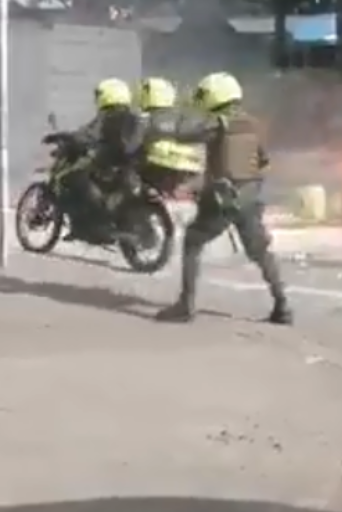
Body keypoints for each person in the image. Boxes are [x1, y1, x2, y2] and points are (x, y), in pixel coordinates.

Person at [148, 72, 292, 324]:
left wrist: (174, 114)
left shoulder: (217, 123)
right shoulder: (251, 123)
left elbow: (181, 134)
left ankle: (186, 304)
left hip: (222, 199)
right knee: (260, 251)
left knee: (193, 241)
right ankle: (282, 306)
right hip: (249, 198)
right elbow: (263, 162)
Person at [57, 78, 144, 241]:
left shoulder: (106, 116)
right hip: (130, 166)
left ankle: (83, 226)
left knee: (70, 179)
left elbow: (87, 134)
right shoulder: (135, 117)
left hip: (108, 164)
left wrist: (67, 137)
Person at [136, 77, 203, 196]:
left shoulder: (144, 120)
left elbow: (134, 145)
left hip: (156, 170)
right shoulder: (183, 117)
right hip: (186, 168)